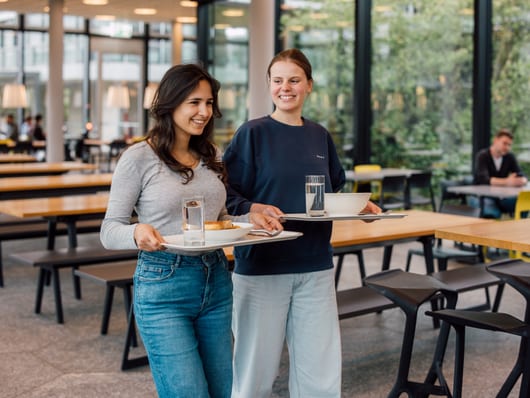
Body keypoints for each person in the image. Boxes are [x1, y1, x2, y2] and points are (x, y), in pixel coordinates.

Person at [100, 63, 282, 398]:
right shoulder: (139, 157)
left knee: (222, 390)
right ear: (170, 104)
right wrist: (137, 231)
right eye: (194, 103)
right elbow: (109, 229)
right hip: (163, 286)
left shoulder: (210, 154)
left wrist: (249, 220)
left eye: (209, 103)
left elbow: (221, 218)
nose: (204, 112)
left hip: (215, 279)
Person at [223, 48, 381, 398]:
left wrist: (358, 205)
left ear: (309, 85)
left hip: (315, 265)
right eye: (277, 80)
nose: (285, 87)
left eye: (294, 80)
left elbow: (330, 191)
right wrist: (251, 208)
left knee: (320, 372)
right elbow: (225, 194)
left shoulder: (319, 136)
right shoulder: (252, 134)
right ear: (269, 85)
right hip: (262, 267)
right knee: (254, 372)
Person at [473, 128, 528, 218]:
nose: (507, 147)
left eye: (509, 145)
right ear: (495, 140)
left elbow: (521, 174)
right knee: (492, 213)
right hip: (482, 197)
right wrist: (507, 181)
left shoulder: (509, 157)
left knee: (524, 204)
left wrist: (523, 180)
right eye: (504, 143)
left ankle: (519, 230)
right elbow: (484, 180)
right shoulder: (482, 156)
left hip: (502, 198)